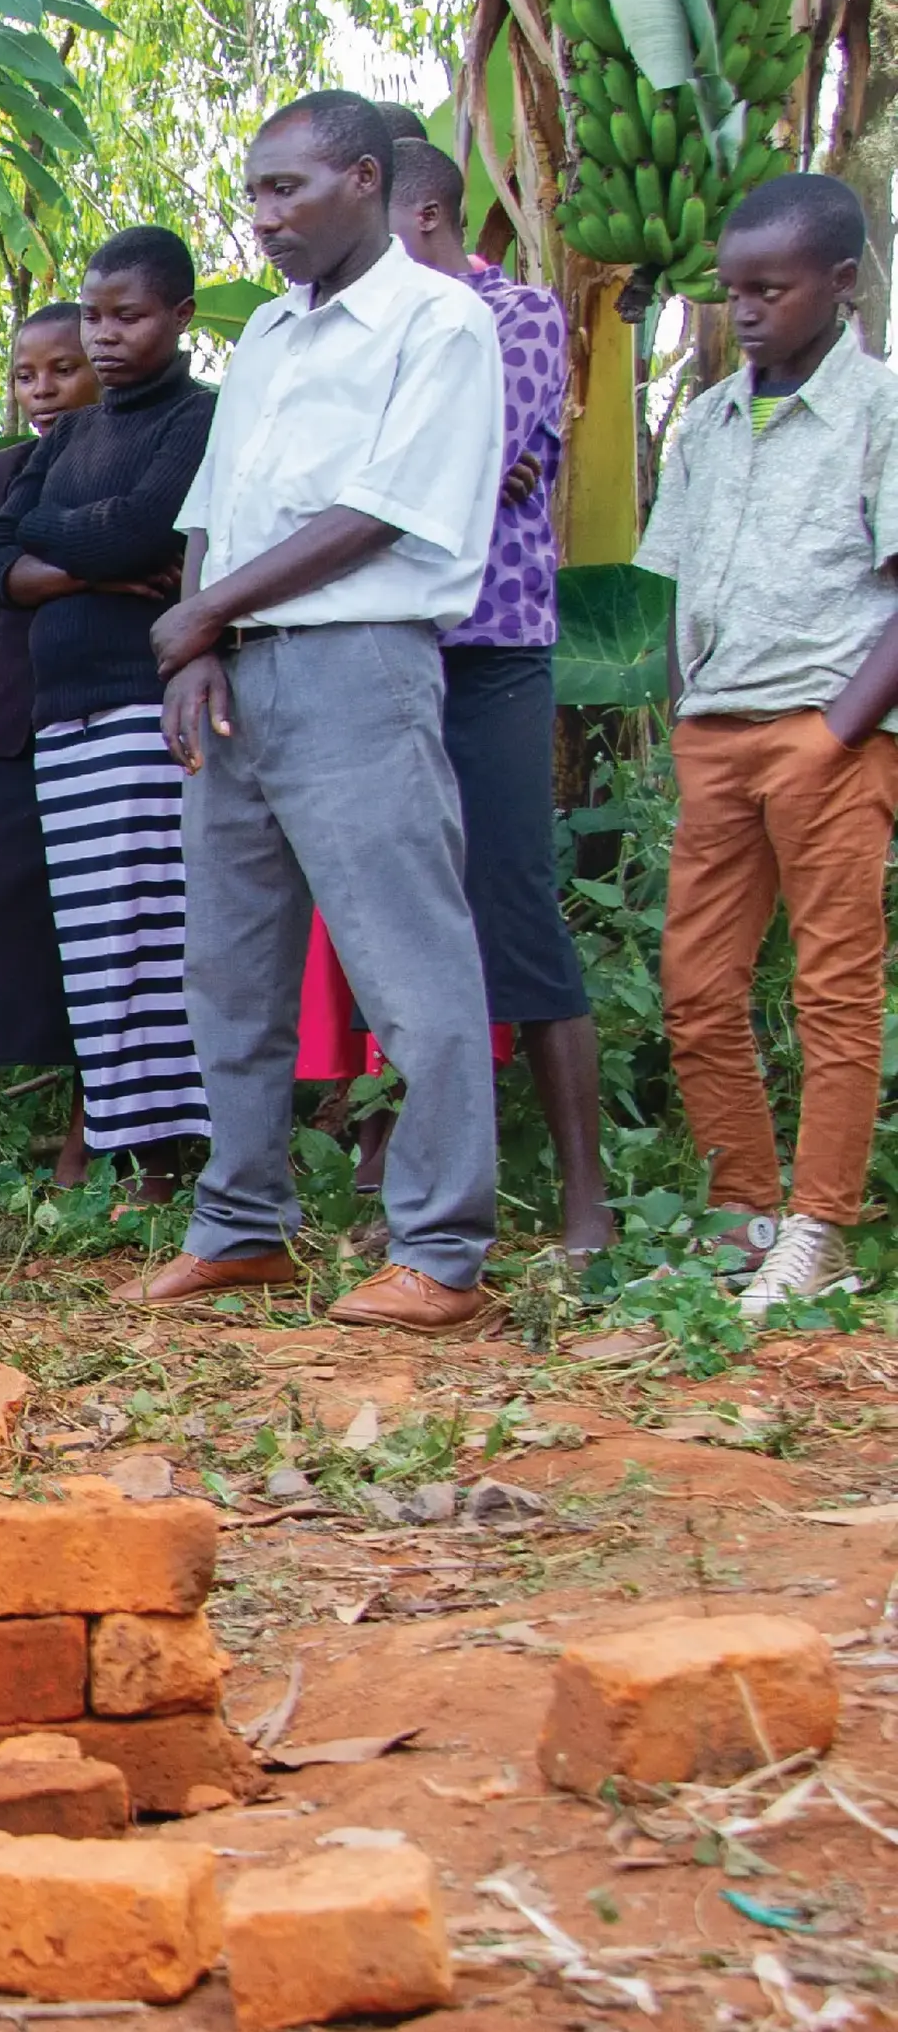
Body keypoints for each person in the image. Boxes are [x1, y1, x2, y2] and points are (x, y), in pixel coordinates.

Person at [118, 90, 508, 1333]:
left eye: (287, 189)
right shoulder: (272, 342)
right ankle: (243, 1227)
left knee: (409, 960)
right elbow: (212, 514)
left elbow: (383, 510)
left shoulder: (439, 323)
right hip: (237, 678)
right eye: (254, 194)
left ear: (364, 181)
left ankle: (441, 1250)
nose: (265, 218)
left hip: (359, 666)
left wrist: (199, 615)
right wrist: (195, 650)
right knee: (229, 969)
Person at [636, 172, 898, 1308]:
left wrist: (835, 733)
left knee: (835, 988)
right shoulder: (702, 420)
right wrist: (692, 716)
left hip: (829, 735)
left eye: (770, 289)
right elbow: (680, 585)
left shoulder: (882, 412)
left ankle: (821, 1226)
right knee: (696, 985)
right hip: (718, 736)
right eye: (730, 291)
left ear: (840, 285)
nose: (741, 311)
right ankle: (740, 1218)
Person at [380, 139, 613, 1257]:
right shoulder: (366, 328)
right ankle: (422, 1186)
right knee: (409, 919)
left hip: (492, 643)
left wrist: (485, 465)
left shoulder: (513, 314)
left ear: (420, 212)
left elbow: (463, 454)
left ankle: (587, 1199)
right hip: (386, 648)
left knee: (512, 899)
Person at [0, 230, 222, 1193]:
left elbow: (146, 525)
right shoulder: (73, 435)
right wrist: (94, 563)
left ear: (181, 318)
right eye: (94, 315)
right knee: (91, 942)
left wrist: (69, 547)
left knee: (149, 933)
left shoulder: (199, 420)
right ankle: (127, 1145)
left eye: (129, 316)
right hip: (60, 715)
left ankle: (161, 1161)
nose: (107, 336)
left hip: (141, 705)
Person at [0, 305, 97, 1175]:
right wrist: (99, 570)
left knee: (96, 932)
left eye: (63, 369)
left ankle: (87, 1141)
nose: (42, 391)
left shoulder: (139, 461)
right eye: (26, 375)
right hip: (10, 720)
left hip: (108, 714)